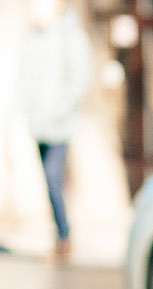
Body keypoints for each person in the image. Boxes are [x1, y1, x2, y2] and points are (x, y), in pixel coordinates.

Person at [19, 0, 92, 262]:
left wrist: (58, 110)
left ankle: (64, 237)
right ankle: (60, 236)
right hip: (38, 122)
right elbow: (25, 76)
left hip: (59, 123)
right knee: (50, 183)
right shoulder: (33, 36)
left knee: (54, 179)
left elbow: (79, 79)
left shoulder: (69, 35)